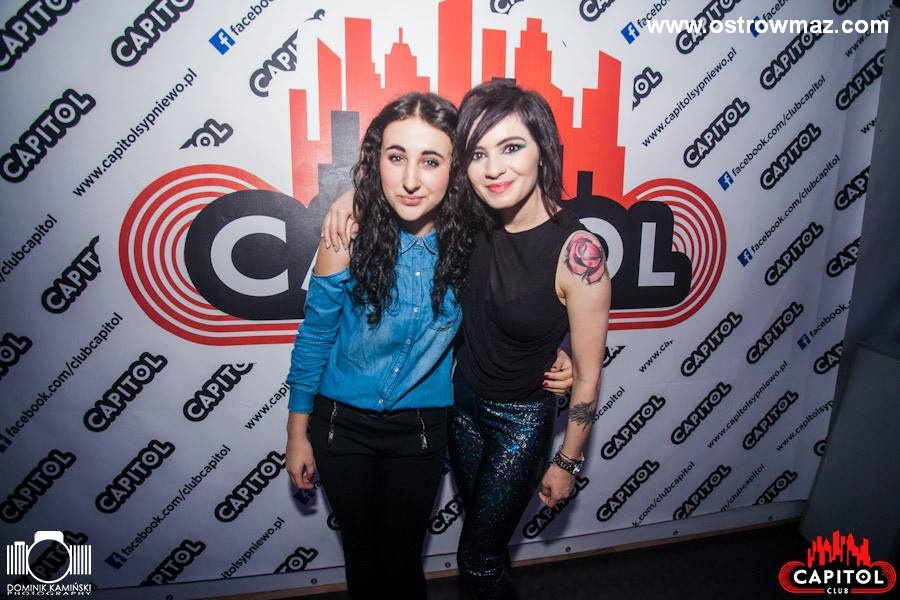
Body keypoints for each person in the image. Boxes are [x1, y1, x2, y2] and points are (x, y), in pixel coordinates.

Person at [322, 81, 611, 599]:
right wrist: (350, 198)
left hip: (518, 424)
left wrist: (568, 460)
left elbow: (588, 376)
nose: (494, 168)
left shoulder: (579, 253)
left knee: (477, 563)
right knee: (481, 551)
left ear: (543, 148)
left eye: (512, 147)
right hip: (458, 414)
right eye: (478, 154)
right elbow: (404, 184)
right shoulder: (470, 221)